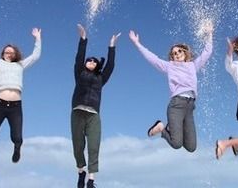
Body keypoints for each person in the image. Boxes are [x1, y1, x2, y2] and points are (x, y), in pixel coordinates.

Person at [128, 26, 213, 153]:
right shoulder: (170, 67)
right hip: (176, 105)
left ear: (185, 53)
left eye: (179, 51)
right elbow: (153, 59)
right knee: (176, 143)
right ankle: (162, 128)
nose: (177, 54)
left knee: (191, 147)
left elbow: (207, 53)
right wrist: (137, 43)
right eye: (174, 53)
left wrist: (210, 34)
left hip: (190, 107)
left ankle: (172, 128)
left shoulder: (193, 66)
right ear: (172, 57)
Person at [0, 26, 42, 163]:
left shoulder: (20, 65)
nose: (9, 54)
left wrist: (38, 39)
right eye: (7, 52)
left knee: (17, 135)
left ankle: (17, 148)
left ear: (16, 55)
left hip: (15, 106)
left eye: (12, 53)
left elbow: (36, 56)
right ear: (3, 54)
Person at [71, 24, 119, 188]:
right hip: (77, 112)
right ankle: (80, 172)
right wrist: (83, 38)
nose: (90, 61)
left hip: (93, 115)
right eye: (88, 60)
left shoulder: (101, 78)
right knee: (78, 145)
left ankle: (91, 180)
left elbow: (110, 66)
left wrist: (111, 46)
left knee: (93, 146)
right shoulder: (79, 74)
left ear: (97, 65)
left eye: (93, 60)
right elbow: (78, 57)